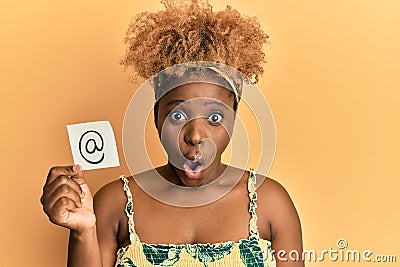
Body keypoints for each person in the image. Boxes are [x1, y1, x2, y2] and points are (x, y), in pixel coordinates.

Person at [40, 1, 304, 266]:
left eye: (214, 117)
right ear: (156, 117)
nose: (196, 135)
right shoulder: (114, 203)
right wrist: (82, 232)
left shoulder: (270, 204)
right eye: (178, 116)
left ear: (234, 119)